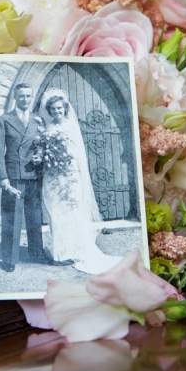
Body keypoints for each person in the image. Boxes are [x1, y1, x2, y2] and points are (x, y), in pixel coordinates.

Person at [39, 89, 121, 275]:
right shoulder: (48, 127)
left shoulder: (71, 126)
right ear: (49, 110)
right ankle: (60, 253)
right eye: (53, 109)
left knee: (71, 211)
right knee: (56, 211)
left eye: (59, 108)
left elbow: (77, 153)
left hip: (69, 174)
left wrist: (65, 161)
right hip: (52, 175)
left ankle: (75, 250)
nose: (56, 111)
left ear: (65, 109)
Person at [0, 83, 46, 272]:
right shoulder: (4, 120)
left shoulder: (37, 120)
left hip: (33, 174)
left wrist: (41, 157)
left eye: (28, 96)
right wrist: (3, 178)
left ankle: (36, 254)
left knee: (34, 216)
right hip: (13, 176)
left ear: (32, 97)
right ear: (15, 97)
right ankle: (9, 259)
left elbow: (42, 145)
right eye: (21, 96)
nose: (25, 99)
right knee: (12, 219)